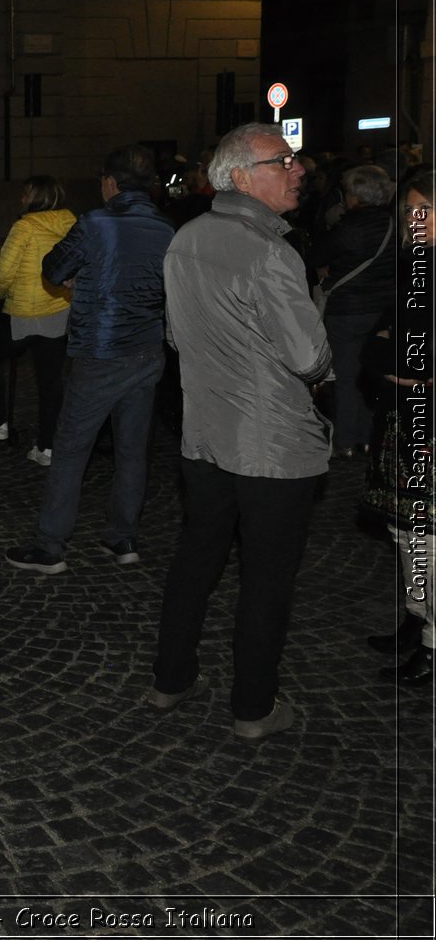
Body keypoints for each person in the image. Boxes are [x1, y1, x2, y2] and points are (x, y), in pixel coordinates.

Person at [148, 123, 332, 742]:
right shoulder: (271, 252)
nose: (297, 169)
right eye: (283, 161)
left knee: (197, 558)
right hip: (272, 445)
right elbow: (310, 357)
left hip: (204, 435)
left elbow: (176, 338)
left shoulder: (185, 239)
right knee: (267, 577)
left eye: (294, 159)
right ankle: (253, 707)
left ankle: (171, 678)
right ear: (241, 177)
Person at [5, 145, 176, 573]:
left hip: (101, 350)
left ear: (111, 183)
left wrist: (82, 279)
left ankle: (50, 546)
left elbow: (53, 268)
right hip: (147, 351)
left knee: (70, 449)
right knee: (133, 450)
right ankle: (123, 538)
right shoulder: (166, 228)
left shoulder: (96, 223)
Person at [362, 168, 435, 684]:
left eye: (426, 212)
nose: (416, 222)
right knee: (406, 532)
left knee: (427, 541)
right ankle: (417, 621)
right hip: (402, 420)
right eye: (410, 211)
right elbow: (379, 343)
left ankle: (432, 645)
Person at [0, 176, 77, 464]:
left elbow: (3, 274)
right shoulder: (71, 223)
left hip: (22, 315)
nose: (20, 199)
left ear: (36, 197)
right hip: (57, 311)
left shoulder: (24, 227)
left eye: (25, 194)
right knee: (51, 380)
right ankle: (47, 447)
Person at [311, 164, 398, 458]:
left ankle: (346, 441)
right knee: (373, 376)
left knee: (347, 379)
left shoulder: (348, 227)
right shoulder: (394, 225)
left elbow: (318, 255)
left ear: (356, 195)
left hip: (346, 311)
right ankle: (371, 438)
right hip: (383, 310)